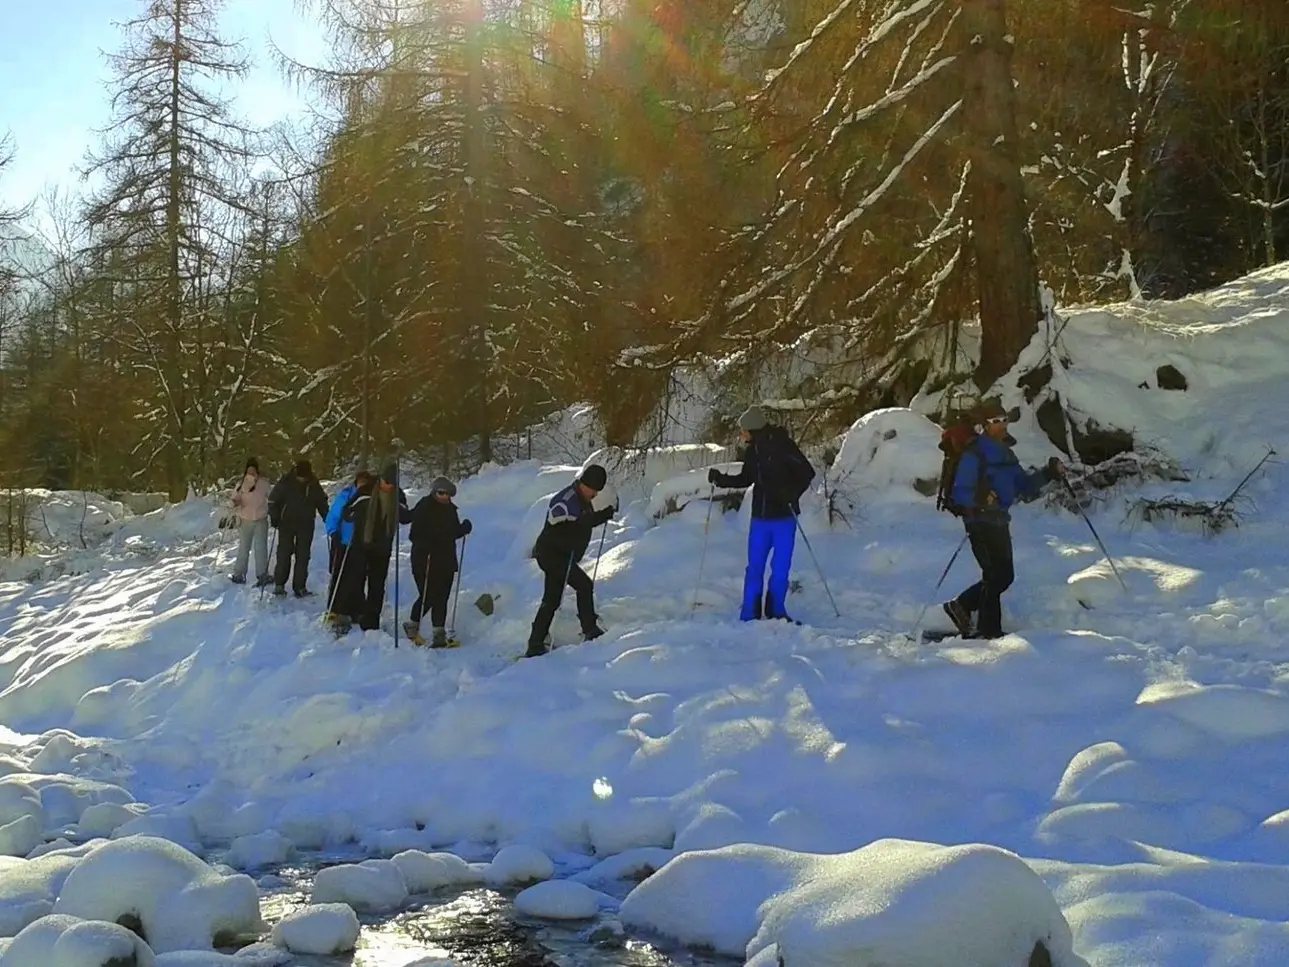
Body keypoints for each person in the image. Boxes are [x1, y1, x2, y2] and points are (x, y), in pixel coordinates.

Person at [941, 402, 1065, 639]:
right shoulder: (974, 453)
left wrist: (1049, 473)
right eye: (995, 421)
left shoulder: (1007, 454)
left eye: (1004, 419)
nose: (1002, 425)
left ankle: (961, 606)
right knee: (994, 575)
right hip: (978, 521)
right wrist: (982, 496)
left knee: (1004, 576)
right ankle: (989, 631)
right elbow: (960, 492)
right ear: (985, 425)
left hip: (999, 521)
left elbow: (1024, 486)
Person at [708, 405, 815, 622]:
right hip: (760, 518)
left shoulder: (784, 446)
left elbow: (807, 472)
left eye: (744, 430)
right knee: (755, 566)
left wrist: (791, 493)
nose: (741, 434)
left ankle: (776, 611)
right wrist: (721, 480)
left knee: (780, 567)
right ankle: (750, 613)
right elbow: (746, 478)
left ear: (753, 429)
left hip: (784, 518)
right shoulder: (753, 451)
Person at [525, 464, 616, 658]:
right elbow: (570, 517)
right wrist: (597, 517)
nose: (594, 494)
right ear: (584, 484)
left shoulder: (582, 499)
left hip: (561, 555)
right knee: (583, 586)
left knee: (552, 599)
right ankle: (589, 629)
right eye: (593, 489)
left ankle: (536, 642)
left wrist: (602, 515)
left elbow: (584, 520)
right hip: (553, 555)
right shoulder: (567, 500)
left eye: (597, 491)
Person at [336, 461, 411, 632]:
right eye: (386, 482)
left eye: (392, 484)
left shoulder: (397, 495)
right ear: (381, 479)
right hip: (362, 543)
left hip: (382, 546)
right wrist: (354, 516)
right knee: (354, 579)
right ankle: (344, 615)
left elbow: (406, 517)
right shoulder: (367, 489)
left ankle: (371, 621)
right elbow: (347, 512)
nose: (388, 487)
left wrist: (404, 511)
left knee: (377, 585)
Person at [404, 476, 473, 647]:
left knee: (442, 597)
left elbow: (453, 532)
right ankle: (412, 626)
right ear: (434, 492)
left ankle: (439, 635)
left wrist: (463, 529)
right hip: (424, 559)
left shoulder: (450, 510)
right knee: (428, 595)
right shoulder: (424, 506)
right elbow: (415, 535)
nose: (444, 497)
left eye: (447, 494)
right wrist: (428, 542)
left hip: (446, 560)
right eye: (440, 493)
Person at [267, 459, 329, 598]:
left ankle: (300, 586)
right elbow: (272, 500)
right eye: (300, 477)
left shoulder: (313, 483)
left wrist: (327, 517)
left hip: (306, 523)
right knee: (284, 553)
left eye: (304, 477)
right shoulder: (286, 481)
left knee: (303, 555)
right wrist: (275, 516)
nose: (302, 479)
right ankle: (279, 584)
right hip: (286, 522)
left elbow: (321, 501)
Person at [324, 469, 373, 613]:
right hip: (343, 541)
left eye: (365, 483)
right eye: (360, 482)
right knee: (340, 575)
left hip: (361, 543)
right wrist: (333, 532)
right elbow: (333, 515)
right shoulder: (346, 495)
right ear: (356, 483)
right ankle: (335, 608)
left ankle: (355, 608)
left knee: (358, 576)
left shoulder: (370, 498)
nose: (362, 485)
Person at [229, 457, 271, 587]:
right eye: (249, 469)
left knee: (260, 548)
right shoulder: (241, 484)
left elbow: (272, 496)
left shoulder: (263, 484)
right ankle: (239, 574)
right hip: (246, 520)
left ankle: (262, 574)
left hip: (260, 519)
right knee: (243, 548)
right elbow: (235, 498)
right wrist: (234, 503)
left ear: (257, 470)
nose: (251, 472)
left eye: (253, 469)